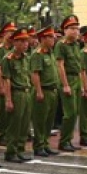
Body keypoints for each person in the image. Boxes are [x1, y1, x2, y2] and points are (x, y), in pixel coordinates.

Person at [2, 28, 34, 162]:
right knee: (14, 124)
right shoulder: (8, 59)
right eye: (22, 41)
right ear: (15, 42)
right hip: (16, 93)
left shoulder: (26, 58)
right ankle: (11, 151)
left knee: (24, 124)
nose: (25, 44)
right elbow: (7, 80)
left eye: (26, 41)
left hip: (26, 92)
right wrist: (8, 99)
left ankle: (20, 149)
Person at [29, 26, 60, 157]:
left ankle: (45, 144)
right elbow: (35, 74)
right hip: (43, 90)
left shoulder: (50, 53)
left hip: (52, 90)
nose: (53, 39)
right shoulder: (38, 54)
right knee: (40, 121)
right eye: (50, 37)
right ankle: (39, 145)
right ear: (42, 38)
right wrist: (39, 91)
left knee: (49, 121)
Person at [54, 15, 83, 151]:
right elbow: (60, 66)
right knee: (69, 113)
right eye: (71, 28)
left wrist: (82, 84)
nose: (75, 31)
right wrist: (65, 85)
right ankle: (64, 141)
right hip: (68, 79)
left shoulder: (76, 45)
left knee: (75, 112)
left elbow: (79, 66)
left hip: (76, 79)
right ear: (64, 30)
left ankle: (68, 140)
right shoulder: (61, 45)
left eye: (76, 28)